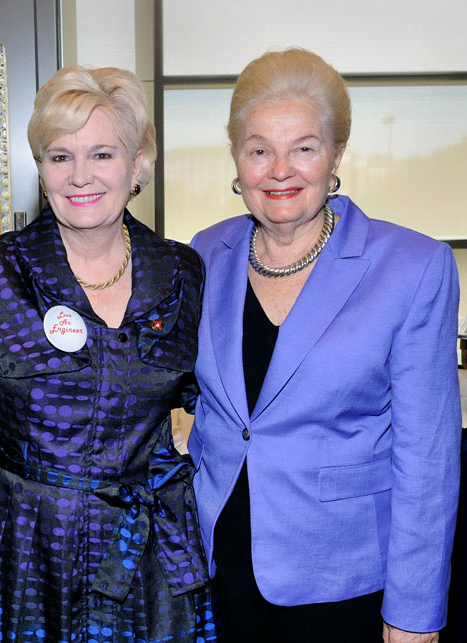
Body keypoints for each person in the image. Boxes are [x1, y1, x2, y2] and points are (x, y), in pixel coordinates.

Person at [0, 66, 216, 642]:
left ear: (138, 165)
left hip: (146, 556)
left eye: (102, 154)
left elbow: (208, 398)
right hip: (23, 554)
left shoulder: (181, 272)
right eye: (60, 157)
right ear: (41, 168)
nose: (80, 176)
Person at [189, 48, 461, 643]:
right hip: (217, 572)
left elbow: (428, 458)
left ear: (336, 154)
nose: (279, 169)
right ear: (237, 160)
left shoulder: (413, 267)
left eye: (304, 147)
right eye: (259, 149)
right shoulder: (205, 254)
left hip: (342, 583)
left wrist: (414, 613)